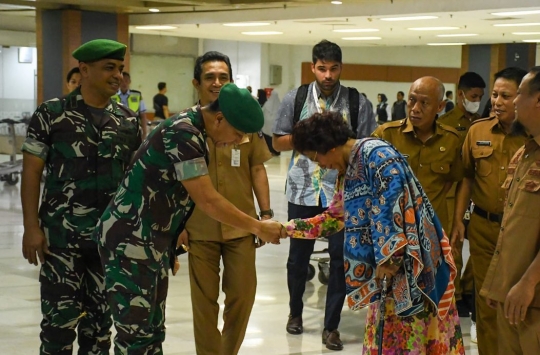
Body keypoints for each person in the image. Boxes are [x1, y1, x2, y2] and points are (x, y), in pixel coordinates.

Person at [92, 82, 285, 354]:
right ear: (219, 119)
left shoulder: (193, 128)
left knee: (152, 331)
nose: (236, 142)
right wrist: (258, 226)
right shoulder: (184, 134)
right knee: (136, 335)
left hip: (151, 241)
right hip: (131, 241)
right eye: (237, 135)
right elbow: (207, 199)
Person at [284, 111, 464, 354]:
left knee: (415, 341)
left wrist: (390, 258)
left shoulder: (377, 154)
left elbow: (391, 203)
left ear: (327, 146)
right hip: (388, 275)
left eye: (316, 159)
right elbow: (335, 218)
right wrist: (287, 229)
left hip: (413, 272)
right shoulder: (347, 172)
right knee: (390, 341)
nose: (321, 166)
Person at [21, 39, 142, 354]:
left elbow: (136, 182)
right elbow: (31, 173)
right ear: (84, 70)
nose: (117, 75)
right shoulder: (52, 114)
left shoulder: (127, 121)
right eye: (109, 68)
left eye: (120, 69)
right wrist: (31, 227)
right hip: (62, 240)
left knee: (100, 328)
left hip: (108, 242)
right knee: (58, 326)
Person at [272, 39, 376, 351]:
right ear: (313, 67)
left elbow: (365, 145)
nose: (327, 75)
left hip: (343, 192)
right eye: (322, 68)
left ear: (341, 68)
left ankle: (331, 326)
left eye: (333, 69)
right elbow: (276, 143)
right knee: (297, 259)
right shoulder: (297, 97)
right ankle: (295, 312)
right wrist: (309, 137)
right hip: (303, 189)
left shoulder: (357, 102)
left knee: (340, 258)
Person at [179, 51, 273, 355]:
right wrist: (177, 225)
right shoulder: (186, 127)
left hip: (241, 225)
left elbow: (257, 167)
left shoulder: (244, 121)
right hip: (199, 228)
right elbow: (174, 183)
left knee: (243, 296)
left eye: (223, 77)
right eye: (210, 77)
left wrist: (266, 214)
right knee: (204, 304)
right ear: (197, 83)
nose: (217, 83)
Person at [451, 67, 527, 354]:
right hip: (483, 229)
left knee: (516, 302)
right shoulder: (478, 131)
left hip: (521, 234)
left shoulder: (533, 135)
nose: (496, 101)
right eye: (494, 95)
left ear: (522, 97)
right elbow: (467, 179)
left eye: (505, 96)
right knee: (485, 302)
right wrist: (459, 220)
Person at [480, 66, 540, 355]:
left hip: (532, 297)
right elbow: (512, 225)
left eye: (519, 96)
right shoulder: (527, 153)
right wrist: (498, 285)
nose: (513, 103)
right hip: (512, 295)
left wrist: (528, 283)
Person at [372, 76, 463, 231]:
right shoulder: (386, 135)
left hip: (432, 227)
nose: (415, 108)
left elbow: (452, 182)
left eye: (424, 103)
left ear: (440, 106)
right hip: (392, 228)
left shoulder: (450, 140)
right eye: (412, 100)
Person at [438, 71, 486, 319]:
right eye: (472, 96)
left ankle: (468, 289)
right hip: (452, 194)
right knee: (453, 245)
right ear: (460, 95)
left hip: (476, 194)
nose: (476, 100)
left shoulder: (481, 123)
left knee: (477, 246)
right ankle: (455, 296)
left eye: (480, 96)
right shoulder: (445, 123)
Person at [112, 71, 148, 138]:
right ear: (118, 81)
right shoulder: (112, 95)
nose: (124, 83)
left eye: (126, 80)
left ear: (130, 81)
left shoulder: (137, 95)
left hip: (134, 129)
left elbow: (143, 115)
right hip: (116, 129)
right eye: (122, 81)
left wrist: (144, 132)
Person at [262, 90, 281, 156]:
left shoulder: (267, 104)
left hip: (267, 125)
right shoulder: (280, 105)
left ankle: (270, 151)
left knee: (268, 139)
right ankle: (277, 151)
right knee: (276, 138)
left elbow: (262, 112)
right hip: (276, 125)